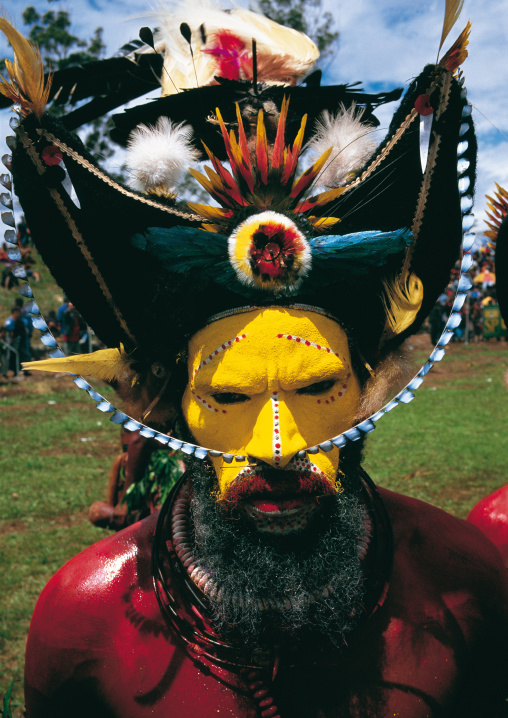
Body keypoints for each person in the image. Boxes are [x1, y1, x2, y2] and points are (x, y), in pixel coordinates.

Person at [3, 6, 507, 717]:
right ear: (170, 402)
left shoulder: (467, 583)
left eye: (318, 387)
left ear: (370, 386)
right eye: (230, 399)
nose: (279, 449)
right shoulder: (80, 623)